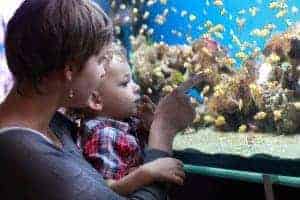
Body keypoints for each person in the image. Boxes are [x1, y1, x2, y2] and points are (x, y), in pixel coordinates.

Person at [0, 0, 199, 199]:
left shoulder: (50, 122)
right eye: (101, 61)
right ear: (70, 69)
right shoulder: (24, 154)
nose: (103, 72)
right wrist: (162, 131)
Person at [69, 42, 184, 196]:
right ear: (96, 100)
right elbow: (107, 190)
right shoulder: (105, 135)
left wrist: (150, 123)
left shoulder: (124, 120)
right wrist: (147, 172)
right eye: (125, 83)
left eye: (133, 80)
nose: (136, 87)